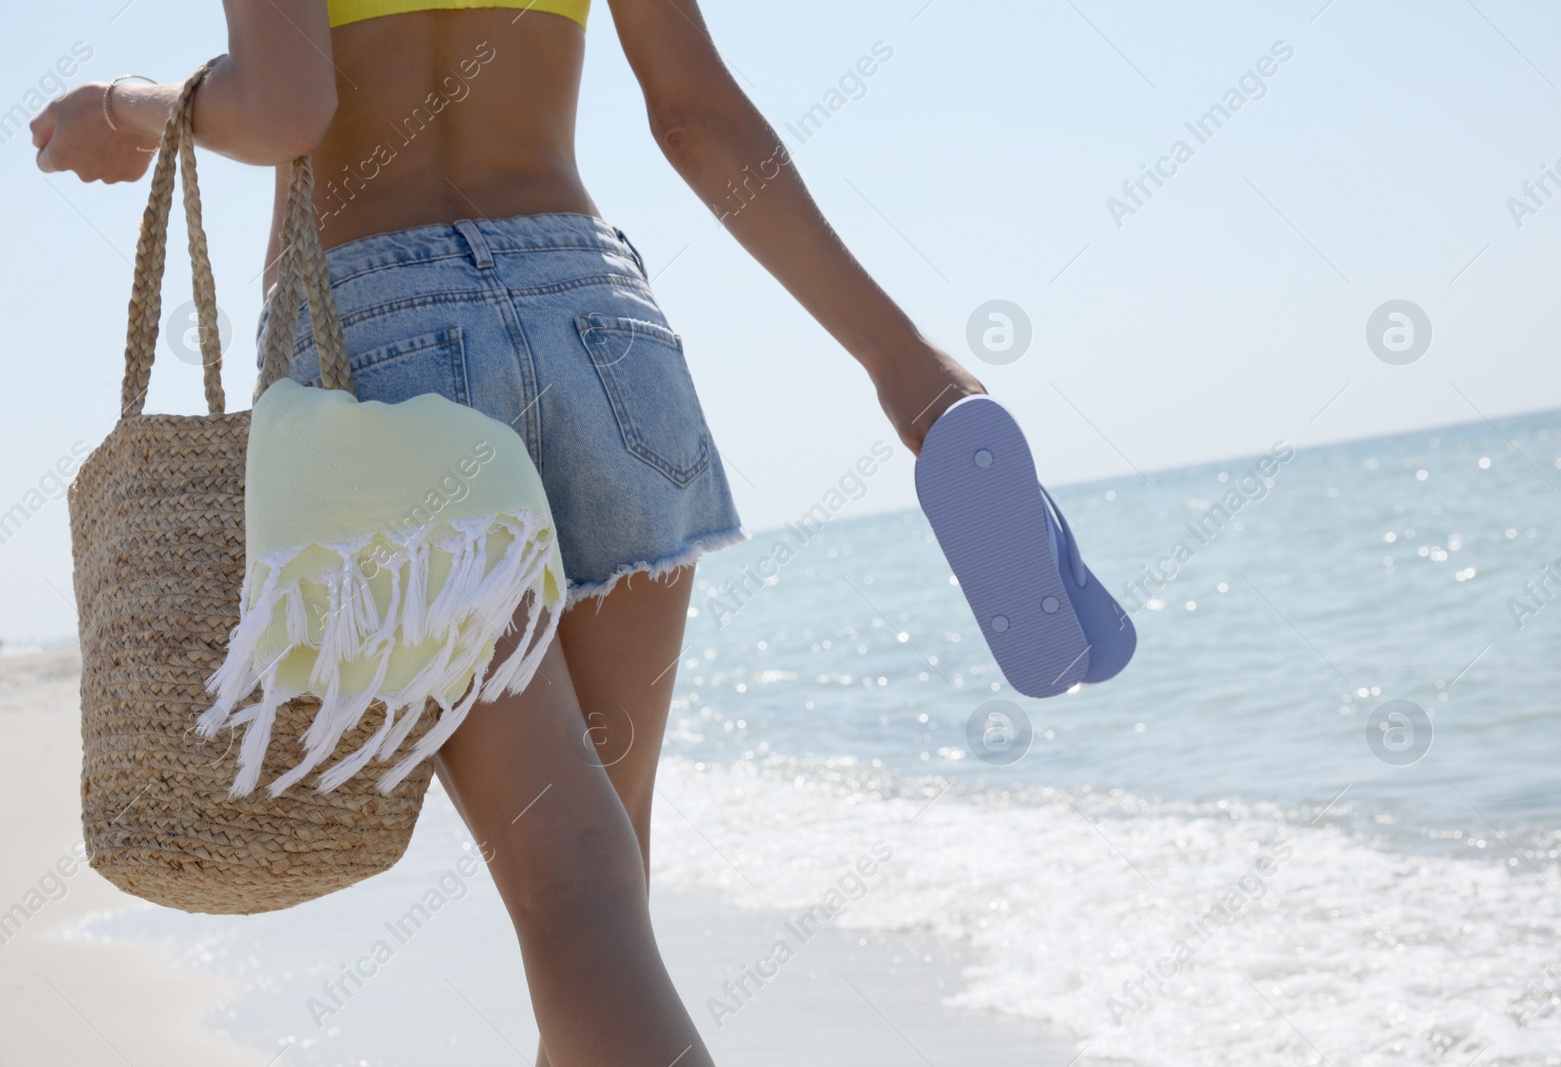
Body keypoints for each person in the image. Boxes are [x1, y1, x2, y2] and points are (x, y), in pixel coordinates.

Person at [32, 2, 984, 1062]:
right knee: (600, 895)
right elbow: (694, 116)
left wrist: (129, 108)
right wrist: (898, 357)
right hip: (600, 330)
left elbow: (289, 112)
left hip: (384, 353)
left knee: (573, 891)